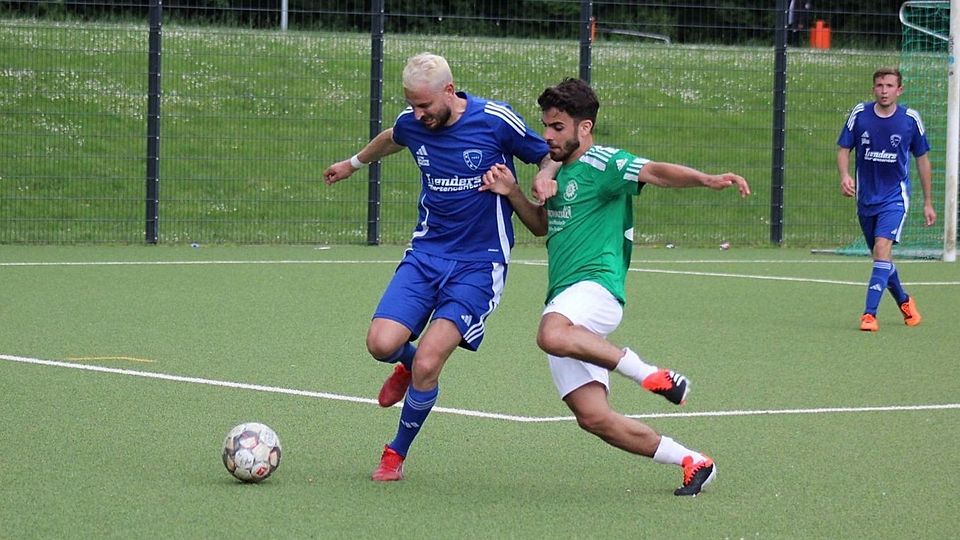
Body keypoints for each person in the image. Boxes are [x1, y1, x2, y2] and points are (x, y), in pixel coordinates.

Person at [479, 78, 750, 496]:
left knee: (550, 334)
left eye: (557, 127)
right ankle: (693, 461)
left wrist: (708, 180)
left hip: (597, 288)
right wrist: (513, 191)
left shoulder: (604, 163)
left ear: (584, 128)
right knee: (594, 418)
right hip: (568, 302)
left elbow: (655, 171)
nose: (548, 136)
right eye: (546, 126)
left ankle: (652, 375)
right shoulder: (559, 174)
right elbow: (541, 226)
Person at [323, 53, 557, 481]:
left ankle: (395, 453)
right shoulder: (414, 122)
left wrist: (544, 177)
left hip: (478, 265)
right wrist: (352, 164)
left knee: (431, 362)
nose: (418, 114)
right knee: (380, 342)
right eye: (412, 105)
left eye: (425, 105)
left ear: (449, 91)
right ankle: (405, 364)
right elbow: (393, 137)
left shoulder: (495, 119)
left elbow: (547, 153)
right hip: (426, 254)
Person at [836, 67, 936, 332]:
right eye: (880, 85)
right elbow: (844, 148)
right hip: (866, 198)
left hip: (895, 198)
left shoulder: (910, 120)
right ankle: (904, 300)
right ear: (873, 88)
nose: (884, 90)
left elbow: (923, 161)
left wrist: (928, 201)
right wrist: (845, 175)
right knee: (881, 257)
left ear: (899, 90)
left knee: (882, 250)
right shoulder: (860, 114)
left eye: (889, 86)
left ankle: (869, 314)